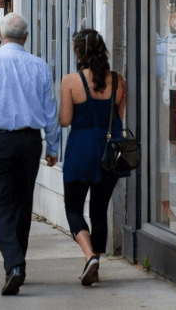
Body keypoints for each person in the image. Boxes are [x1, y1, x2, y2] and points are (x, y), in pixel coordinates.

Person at [0, 12, 59, 296]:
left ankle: (14, 263)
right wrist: (53, 147)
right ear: (26, 37)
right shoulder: (39, 65)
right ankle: (16, 263)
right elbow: (50, 111)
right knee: (22, 204)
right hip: (30, 141)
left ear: (0, 35)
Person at [58, 29, 126, 287]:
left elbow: (65, 120)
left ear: (78, 51)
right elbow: (119, 116)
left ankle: (89, 257)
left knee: (73, 207)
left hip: (80, 149)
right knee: (99, 210)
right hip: (109, 151)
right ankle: (94, 262)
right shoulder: (119, 81)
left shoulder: (70, 81)